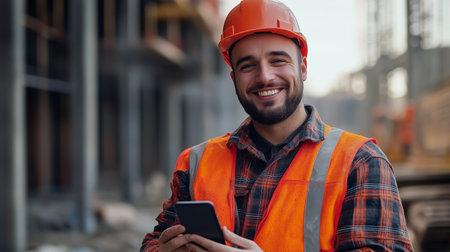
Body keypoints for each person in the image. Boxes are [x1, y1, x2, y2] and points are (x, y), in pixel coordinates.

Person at [141, 0, 413, 251]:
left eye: (278, 60)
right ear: (234, 79)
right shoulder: (197, 162)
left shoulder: (361, 163)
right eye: (248, 66)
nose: (265, 76)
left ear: (303, 68)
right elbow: (153, 242)